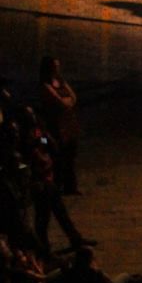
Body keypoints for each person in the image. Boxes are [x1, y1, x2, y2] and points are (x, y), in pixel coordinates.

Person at [39, 56, 80, 195]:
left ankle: (70, 186)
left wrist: (66, 101)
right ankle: (57, 185)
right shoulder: (45, 85)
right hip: (56, 124)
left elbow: (73, 97)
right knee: (58, 155)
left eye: (58, 66)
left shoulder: (61, 81)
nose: (57, 69)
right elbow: (58, 101)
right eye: (55, 66)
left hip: (68, 123)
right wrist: (66, 102)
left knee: (70, 155)